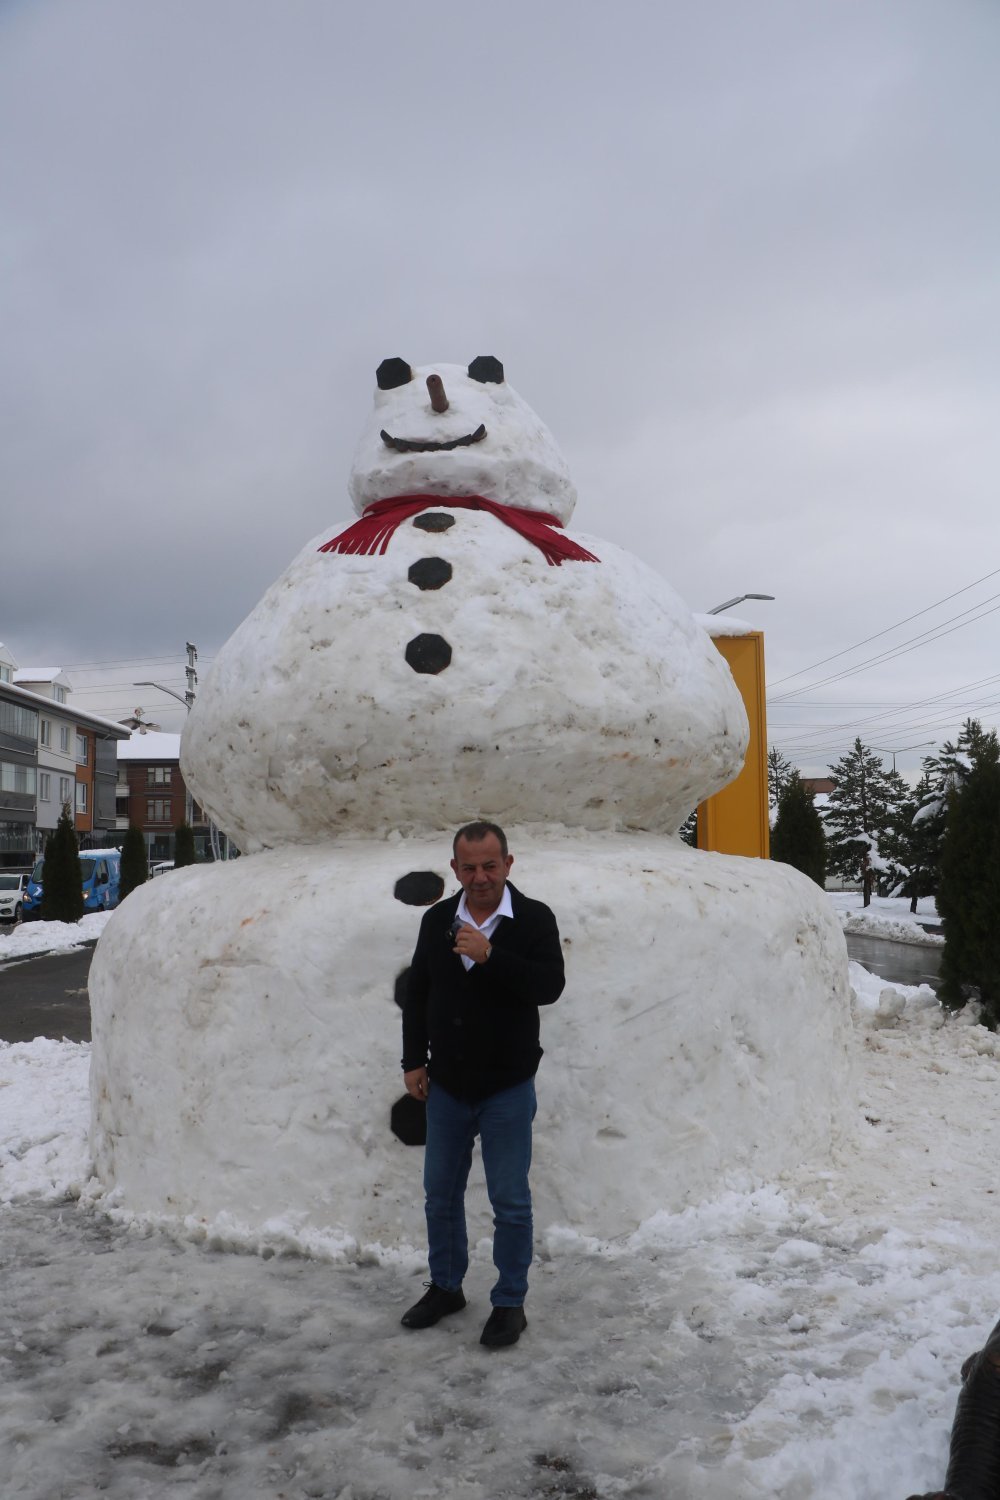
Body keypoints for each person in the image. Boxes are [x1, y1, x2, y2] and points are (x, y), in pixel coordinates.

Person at [400, 821, 565, 1348]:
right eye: (468, 867)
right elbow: (420, 996)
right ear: (454, 870)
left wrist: (490, 956)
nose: (480, 877)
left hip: (507, 1086)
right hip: (447, 1084)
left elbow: (549, 987)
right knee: (439, 1196)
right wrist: (413, 1061)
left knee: (510, 1200)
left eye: (490, 866)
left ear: (508, 865)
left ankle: (509, 1301)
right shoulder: (436, 921)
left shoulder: (534, 919)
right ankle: (447, 1286)